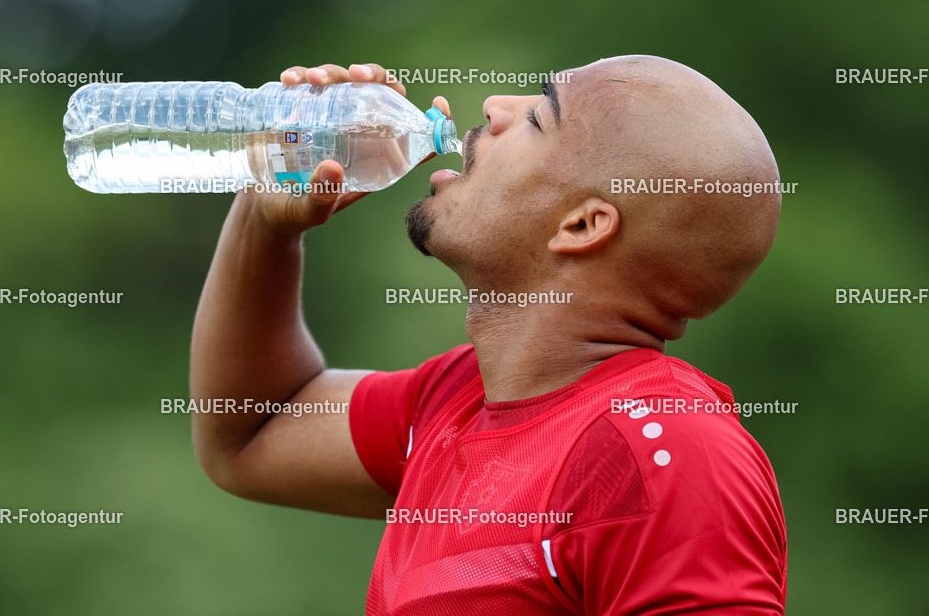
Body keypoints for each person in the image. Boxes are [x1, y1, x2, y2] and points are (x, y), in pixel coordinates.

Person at [189, 56, 787, 614]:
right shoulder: (454, 401)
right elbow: (250, 432)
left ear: (581, 225)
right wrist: (263, 216)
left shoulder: (668, 452)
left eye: (536, 117)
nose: (495, 107)